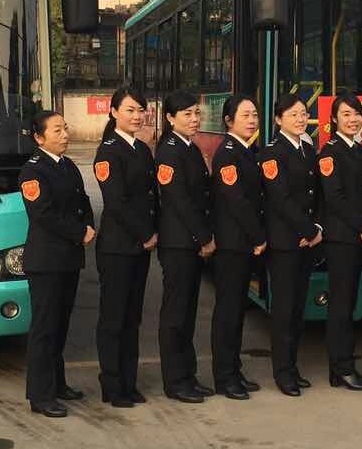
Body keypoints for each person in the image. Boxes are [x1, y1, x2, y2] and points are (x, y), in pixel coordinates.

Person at [18, 111, 97, 417]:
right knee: (44, 328)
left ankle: (57, 383)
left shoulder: (68, 165)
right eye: (57, 130)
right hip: (46, 262)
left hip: (68, 260)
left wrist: (88, 225)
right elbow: (43, 214)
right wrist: (79, 232)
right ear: (39, 137)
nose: (65, 135)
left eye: (65, 128)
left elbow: (83, 201)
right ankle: (40, 395)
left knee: (61, 325)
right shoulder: (32, 171)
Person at [92, 86, 157, 408]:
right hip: (117, 247)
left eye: (140, 110)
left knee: (133, 318)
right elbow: (116, 202)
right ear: (114, 112)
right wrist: (146, 234)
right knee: (114, 318)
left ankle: (129, 383)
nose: (136, 116)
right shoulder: (108, 152)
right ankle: (112, 384)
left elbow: (150, 197)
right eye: (130, 110)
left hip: (139, 248)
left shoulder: (142, 149)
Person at [258, 94, 323, 396]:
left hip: (307, 241)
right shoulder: (272, 153)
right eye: (293, 114)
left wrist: (316, 229)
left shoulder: (307, 149)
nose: (300, 119)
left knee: (298, 309)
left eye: (304, 114)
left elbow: (316, 195)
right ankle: (282, 372)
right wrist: (308, 229)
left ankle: (293, 367)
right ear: (278, 119)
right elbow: (280, 198)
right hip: (285, 242)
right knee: (284, 310)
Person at [154, 89, 215, 405]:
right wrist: (204, 237)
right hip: (178, 243)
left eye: (196, 113)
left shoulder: (189, 147)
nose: (194, 119)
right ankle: (175, 381)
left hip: (190, 242)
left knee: (188, 314)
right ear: (170, 118)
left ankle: (188, 375)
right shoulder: (169, 151)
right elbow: (179, 200)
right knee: (175, 315)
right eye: (187, 114)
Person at [318, 92, 362, 390]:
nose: (353, 119)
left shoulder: (356, 149)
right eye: (346, 114)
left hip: (355, 237)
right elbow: (335, 199)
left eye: (356, 114)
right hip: (341, 238)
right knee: (340, 306)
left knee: (348, 303)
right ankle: (341, 368)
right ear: (334, 119)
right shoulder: (330, 152)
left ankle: (340, 368)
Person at [210, 94, 266, 400]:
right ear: (229, 121)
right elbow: (237, 202)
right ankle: (224, 377)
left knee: (236, 312)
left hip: (242, 243)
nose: (252, 120)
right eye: (245, 115)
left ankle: (234, 370)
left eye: (254, 115)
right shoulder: (228, 154)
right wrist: (258, 236)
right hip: (232, 244)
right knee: (228, 313)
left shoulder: (246, 151)